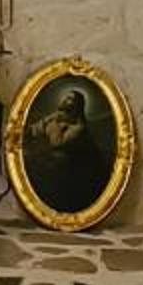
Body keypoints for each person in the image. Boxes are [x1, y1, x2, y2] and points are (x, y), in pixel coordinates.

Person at [23, 84, 112, 212]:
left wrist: (53, 123)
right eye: (66, 97)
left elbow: (57, 143)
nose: (65, 100)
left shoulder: (78, 127)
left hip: (71, 173)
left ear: (77, 106)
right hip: (51, 165)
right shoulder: (55, 118)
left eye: (70, 99)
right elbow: (33, 130)